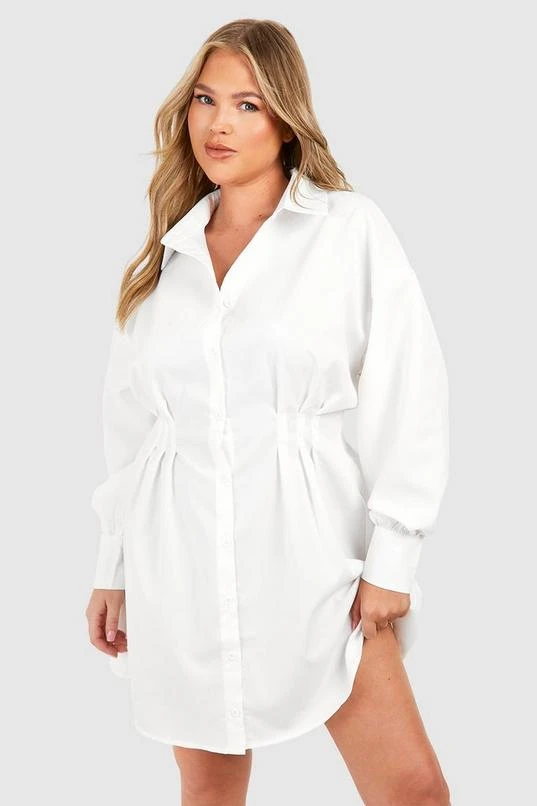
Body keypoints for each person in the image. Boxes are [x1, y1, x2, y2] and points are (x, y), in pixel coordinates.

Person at [85, 18, 451, 806]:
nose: (218, 123)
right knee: (210, 793)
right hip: (178, 562)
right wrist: (113, 570)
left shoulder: (346, 230)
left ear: (285, 119)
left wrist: (393, 557)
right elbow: (132, 430)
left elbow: (409, 387)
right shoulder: (164, 261)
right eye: (205, 100)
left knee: (411, 791)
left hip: (313, 556)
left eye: (246, 105)